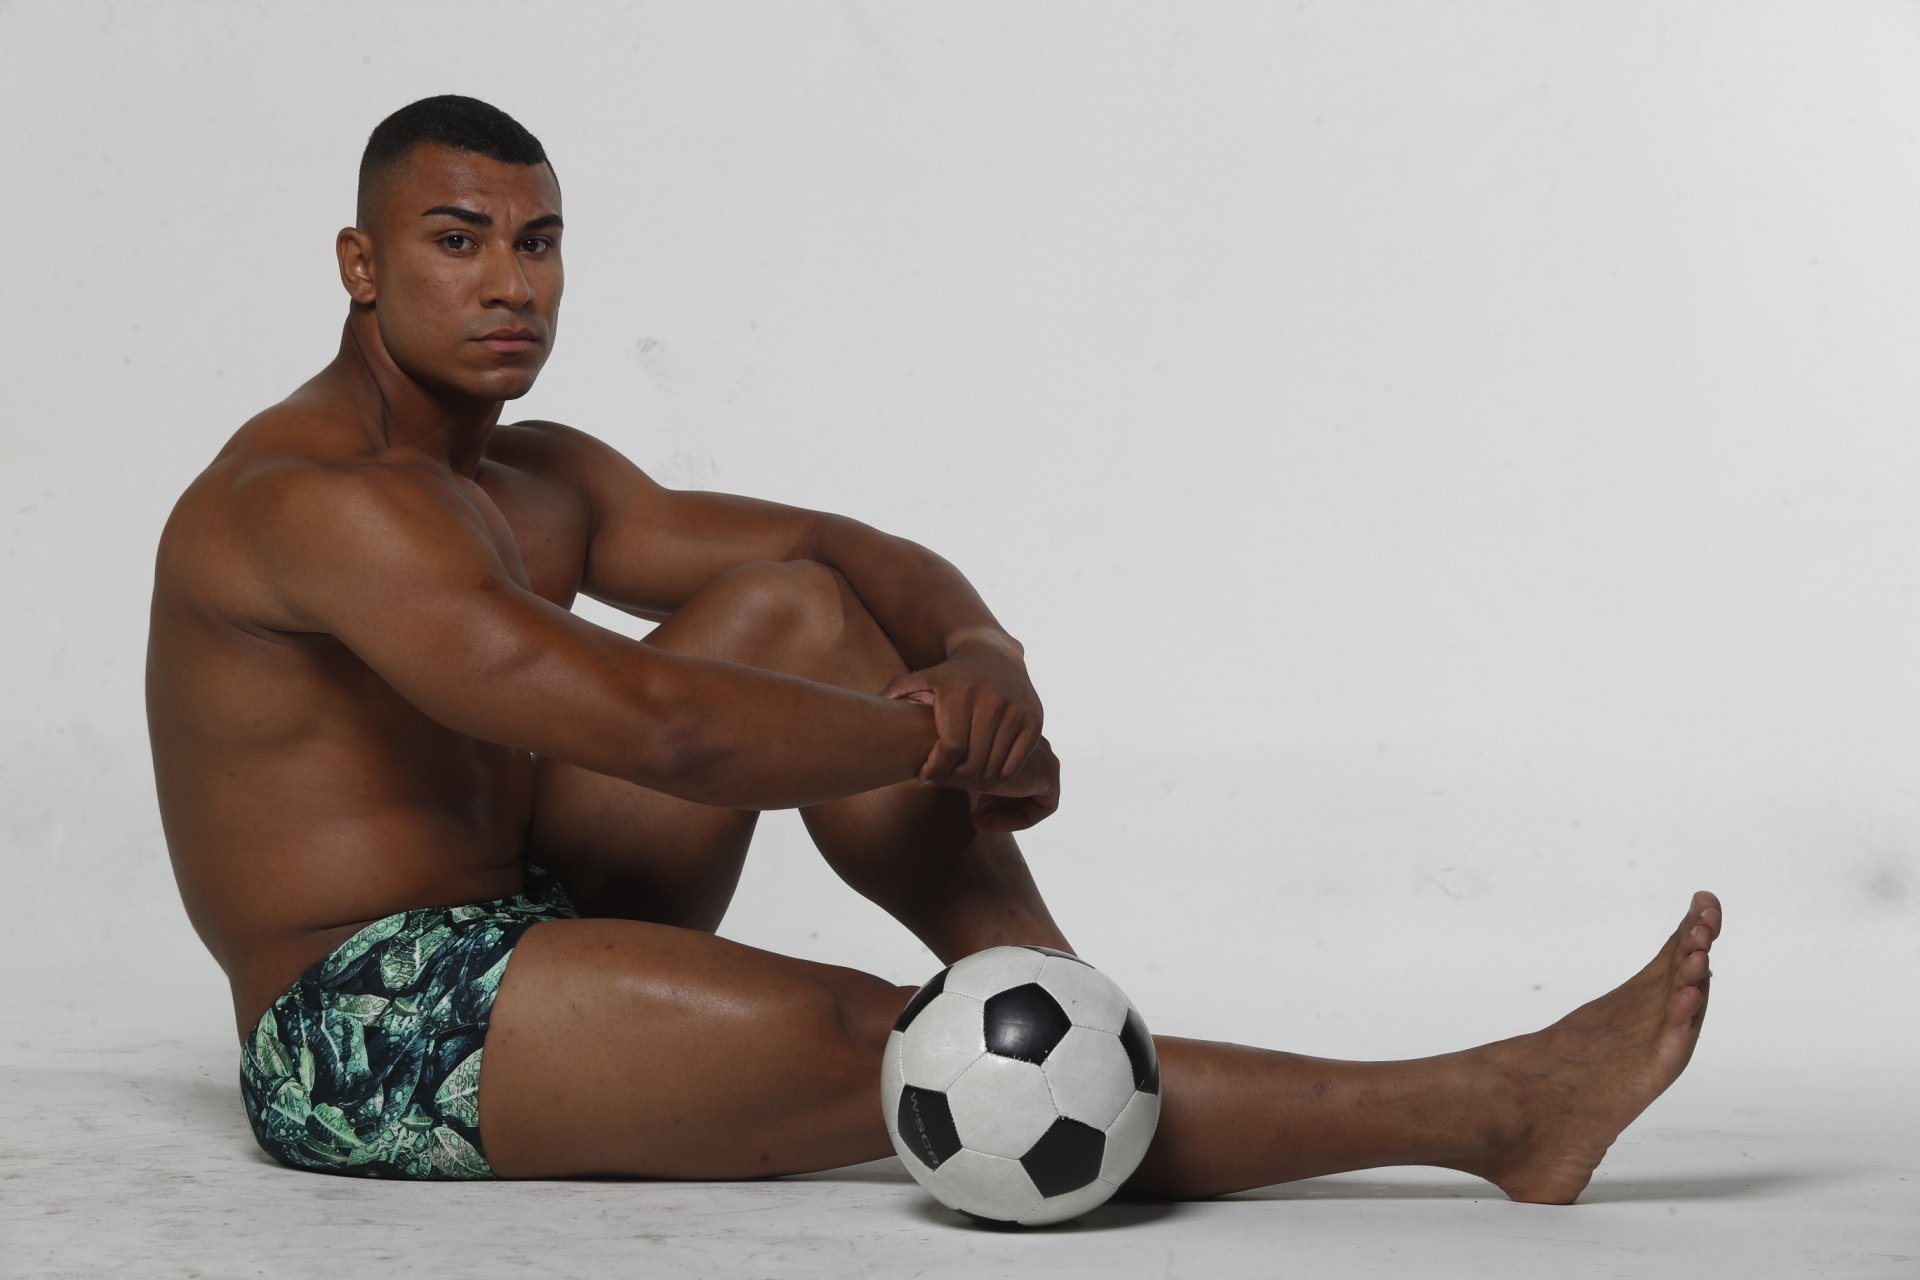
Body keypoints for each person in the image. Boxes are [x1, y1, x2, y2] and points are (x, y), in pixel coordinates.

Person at [146, 95, 1720, 1201]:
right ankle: (1488, 1109)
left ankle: (1060, 994)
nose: (510, 283)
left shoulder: (539, 477)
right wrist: (937, 738)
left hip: (540, 910)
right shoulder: (319, 503)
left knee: (796, 605)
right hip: (362, 1024)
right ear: (361, 265)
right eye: (457, 240)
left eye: (539, 242)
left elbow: (834, 553)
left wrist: (983, 656)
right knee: (906, 1052)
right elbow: (656, 729)